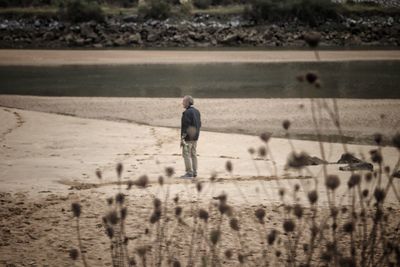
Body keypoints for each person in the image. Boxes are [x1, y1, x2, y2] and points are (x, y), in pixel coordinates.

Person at [180, 95, 201, 178]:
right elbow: (199, 124)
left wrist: (182, 137)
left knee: (186, 154)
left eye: (184, 101)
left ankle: (189, 172)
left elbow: (185, 126)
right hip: (195, 137)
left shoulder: (187, 112)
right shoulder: (197, 111)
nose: (182, 103)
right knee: (193, 154)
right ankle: (195, 172)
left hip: (188, 138)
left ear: (188, 102)